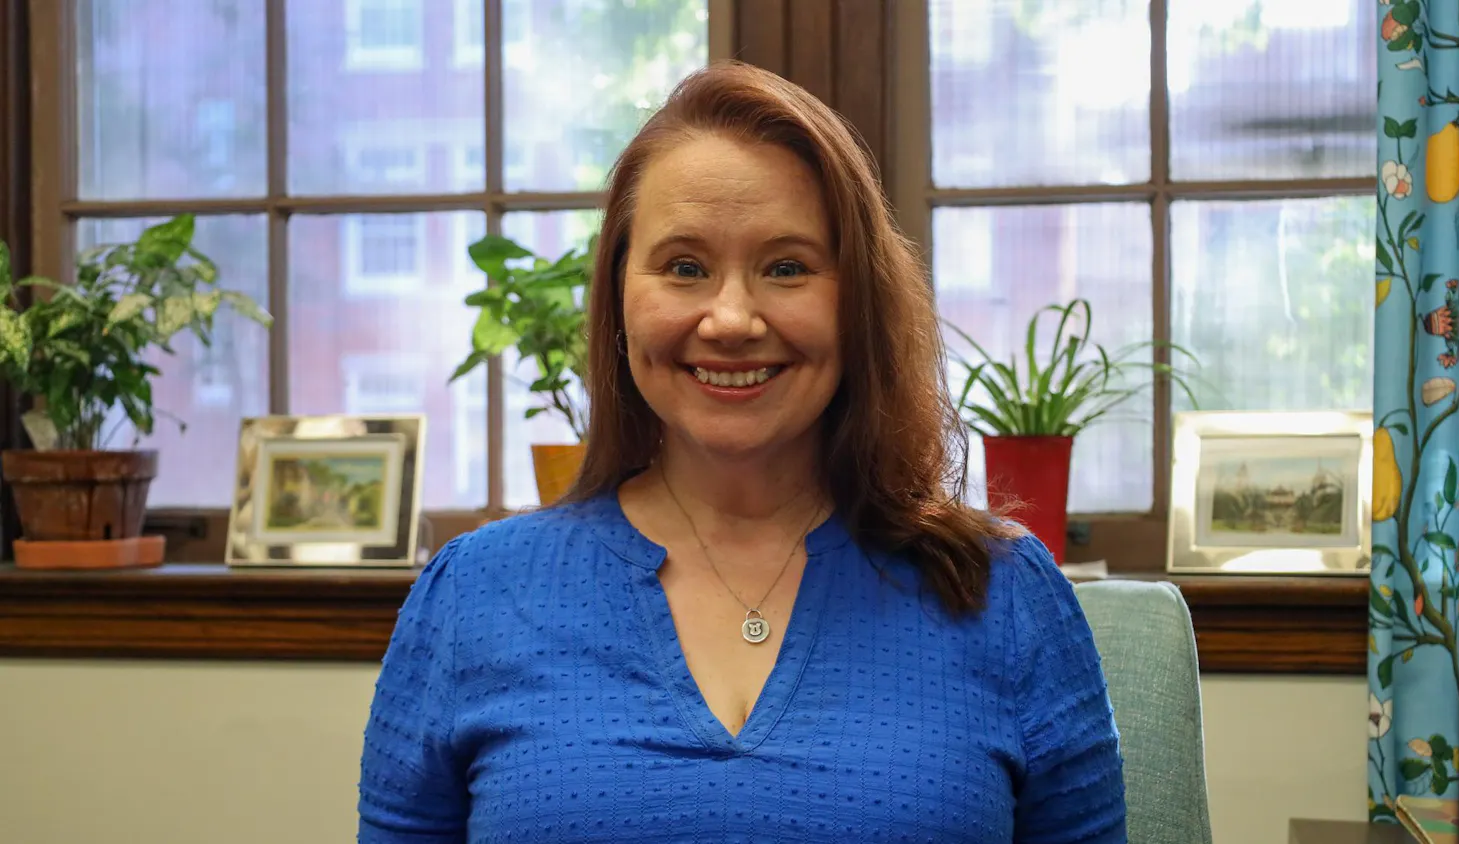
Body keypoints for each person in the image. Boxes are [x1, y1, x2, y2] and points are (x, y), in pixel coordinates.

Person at [358, 60, 1126, 843]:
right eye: (684, 267)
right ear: (620, 296)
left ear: (856, 299)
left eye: (786, 267)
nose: (730, 319)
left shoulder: (1005, 594)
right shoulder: (474, 595)